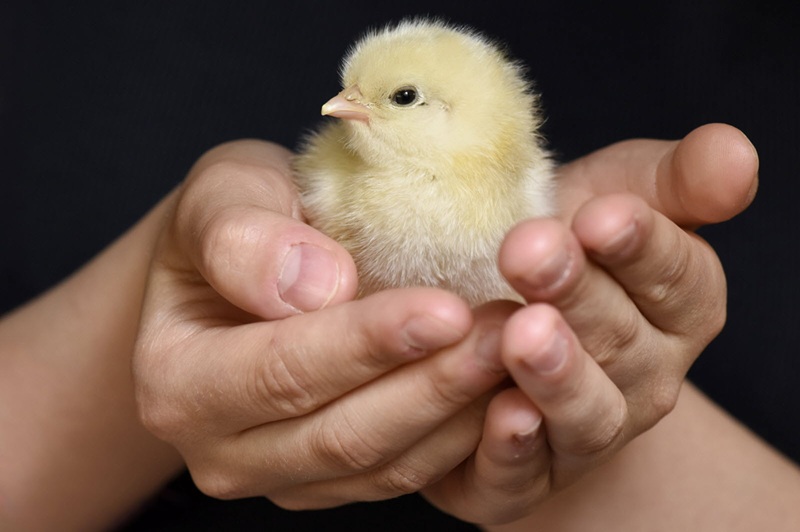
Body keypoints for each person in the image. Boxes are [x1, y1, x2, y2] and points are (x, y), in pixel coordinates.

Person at [3, 2, 800, 531]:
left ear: (456, 112)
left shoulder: (512, 186)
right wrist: (179, 278)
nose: (346, 109)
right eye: (359, 95)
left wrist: (595, 447)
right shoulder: (344, 173)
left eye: (398, 98)